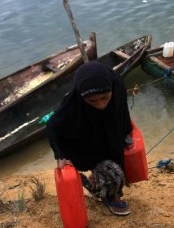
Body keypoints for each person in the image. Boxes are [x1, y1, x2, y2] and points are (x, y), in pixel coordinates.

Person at [46, 61, 133, 216]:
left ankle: (97, 180)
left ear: (112, 88)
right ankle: (109, 196)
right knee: (110, 170)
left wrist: (127, 130)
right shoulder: (72, 102)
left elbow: (122, 109)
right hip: (86, 137)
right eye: (92, 101)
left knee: (116, 160)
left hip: (112, 130)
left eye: (105, 98)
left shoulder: (117, 83)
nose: (100, 105)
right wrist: (60, 155)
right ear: (81, 96)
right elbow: (52, 126)